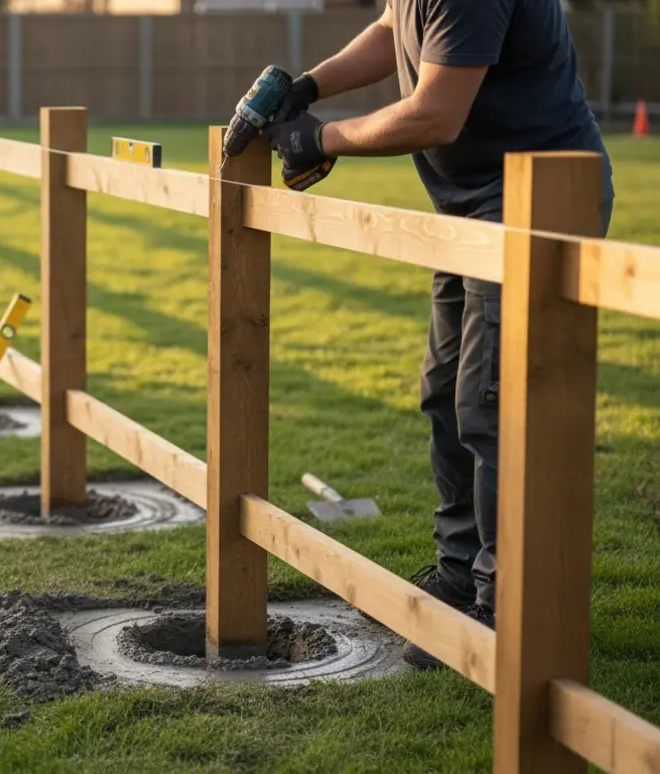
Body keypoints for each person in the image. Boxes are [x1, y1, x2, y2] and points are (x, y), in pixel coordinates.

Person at [260, 0, 615, 670]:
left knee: (494, 410)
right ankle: (459, 578)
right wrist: (308, 87)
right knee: (446, 395)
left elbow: (435, 113)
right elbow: (396, 29)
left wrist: (323, 138)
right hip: (470, 208)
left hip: (531, 208)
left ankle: (502, 613)